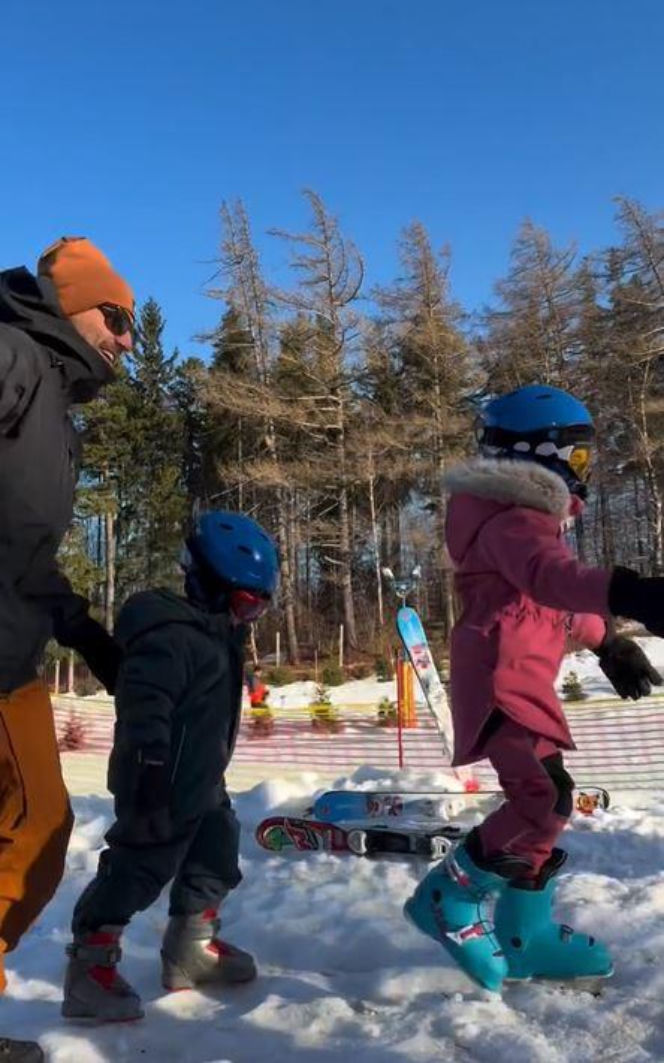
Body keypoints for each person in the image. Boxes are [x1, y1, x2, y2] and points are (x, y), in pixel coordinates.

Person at [404, 384, 664, 992]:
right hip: (500, 681)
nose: (586, 470)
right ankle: (448, 896)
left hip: (520, 679)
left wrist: (609, 642)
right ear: (537, 453)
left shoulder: (526, 522)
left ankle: (526, 934)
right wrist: (630, 593)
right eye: (577, 457)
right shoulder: (511, 519)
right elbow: (552, 581)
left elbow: (551, 607)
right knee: (542, 799)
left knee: (552, 797)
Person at [62, 510, 279, 1022]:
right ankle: (90, 970)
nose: (246, 620)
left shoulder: (213, 634)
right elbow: (144, 709)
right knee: (139, 868)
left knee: (217, 856)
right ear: (205, 584)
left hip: (201, 781)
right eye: (245, 606)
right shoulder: (168, 636)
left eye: (258, 610)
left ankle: (191, 950)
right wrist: (150, 778)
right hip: (156, 781)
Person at [0, 237, 133, 1061]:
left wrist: (82, 630)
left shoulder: (56, 411)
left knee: (38, 833)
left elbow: (24, 550)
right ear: (70, 304)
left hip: (13, 651)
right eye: (116, 316)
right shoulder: (11, 351)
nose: (126, 337)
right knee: (40, 830)